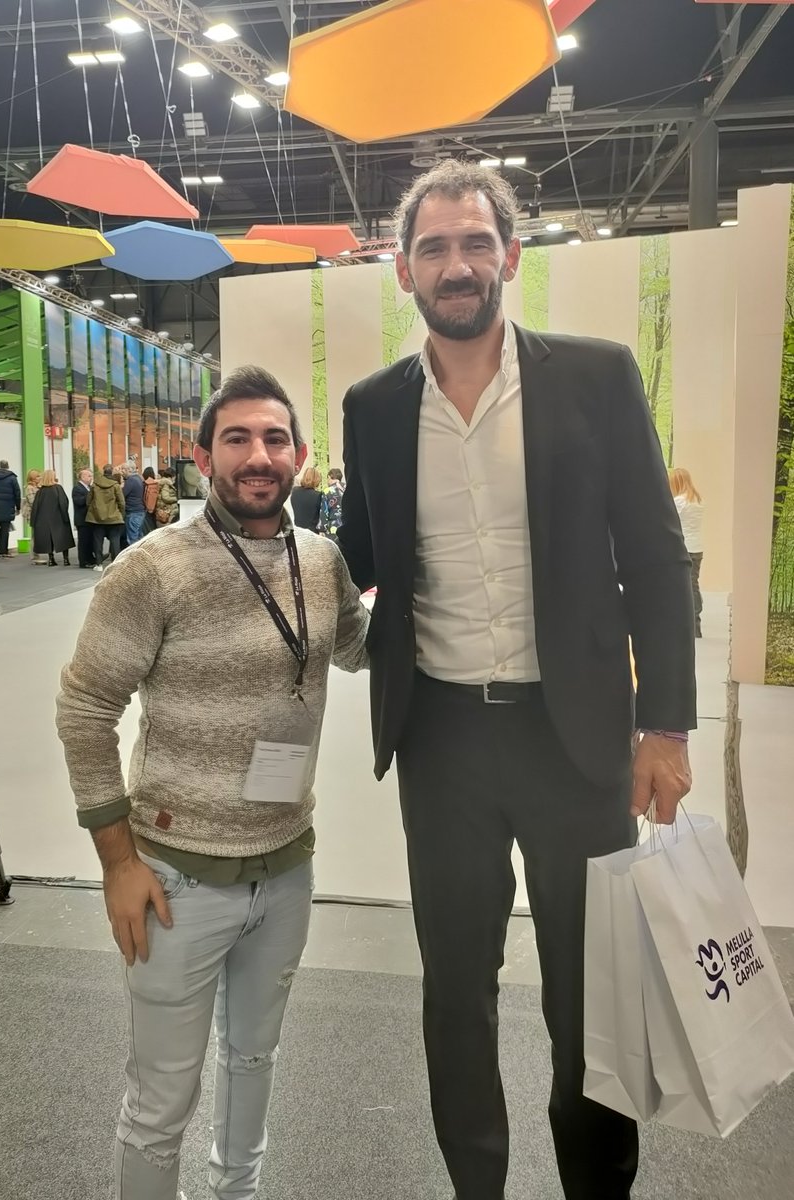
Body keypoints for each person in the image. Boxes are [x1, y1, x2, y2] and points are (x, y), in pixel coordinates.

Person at [336, 161, 696, 1200]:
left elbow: (654, 556)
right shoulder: (372, 409)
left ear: (510, 255)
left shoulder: (595, 375)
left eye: (474, 243)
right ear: (405, 269)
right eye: (435, 248)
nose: (457, 265)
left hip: (575, 738)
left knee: (591, 1000)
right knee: (457, 994)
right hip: (441, 743)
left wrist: (665, 724)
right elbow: (358, 554)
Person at [56, 365, 369, 1200]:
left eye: (274, 438)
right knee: (162, 1099)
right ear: (202, 456)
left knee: (255, 1059)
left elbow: (358, 648)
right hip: (174, 879)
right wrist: (119, 863)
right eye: (237, 438)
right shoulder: (153, 570)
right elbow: (85, 710)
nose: (257, 455)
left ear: (300, 456)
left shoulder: (321, 560)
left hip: (287, 864)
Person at [669, 467, 704, 638]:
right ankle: (696, 622)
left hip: (683, 548)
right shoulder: (697, 500)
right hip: (697, 548)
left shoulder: (678, 502)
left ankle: (689, 625)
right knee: (693, 585)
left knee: (684, 588)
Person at [31, 470, 75, 566]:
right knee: (63, 539)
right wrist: (65, 516)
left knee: (48, 540)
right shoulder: (58, 488)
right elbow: (63, 503)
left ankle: (51, 559)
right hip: (58, 518)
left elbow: (35, 507)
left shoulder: (40, 492)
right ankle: (66, 560)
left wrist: (33, 521)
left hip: (43, 520)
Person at [86, 465, 125, 566]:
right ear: (111, 473)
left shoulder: (95, 484)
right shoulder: (115, 485)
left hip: (97, 518)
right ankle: (115, 564)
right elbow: (122, 502)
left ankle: (99, 564)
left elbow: (88, 501)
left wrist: (94, 510)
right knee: (115, 541)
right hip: (114, 518)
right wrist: (121, 513)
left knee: (98, 541)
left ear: (103, 472)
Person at [0, 458, 21, 558]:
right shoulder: (12, 478)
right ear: (8, 466)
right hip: (7, 507)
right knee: (4, 531)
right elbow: (17, 493)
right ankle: (3, 550)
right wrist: (18, 507)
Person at [72, 468, 96, 568]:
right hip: (82, 519)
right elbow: (79, 502)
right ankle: (83, 561)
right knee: (83, 542)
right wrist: (90, 495)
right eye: (89, 476)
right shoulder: (77, 488)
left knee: (90, 540)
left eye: (91, 476)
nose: (91, 478)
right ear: (83, 477)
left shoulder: (89, 487)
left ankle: (90, 558)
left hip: (89, 519)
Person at [22, 468, 45, 565]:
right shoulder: (29, 488)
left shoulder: (38, 487)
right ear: (33, 478)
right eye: (38, 476)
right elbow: (32, 502)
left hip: (38, 513)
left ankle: (37, 554)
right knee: (34, 535)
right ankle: (34, 557)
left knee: (37, 534)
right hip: (33, 514)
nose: (40, 478)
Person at [121, 463, 147, 546]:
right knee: (139, 536)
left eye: (123, 469)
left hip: (133, 512)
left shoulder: (130, 481)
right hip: (139, 511)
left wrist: (120, 486)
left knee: (132, 538)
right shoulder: (138, 478)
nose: (121, 472)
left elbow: (122, 494)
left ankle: (134, 557)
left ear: (129, 470)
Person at [290, 466, 322, 531]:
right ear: (317, 479)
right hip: (312, 533)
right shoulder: (318, 495)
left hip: (297, 531)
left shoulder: (294, 491)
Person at [319, 467, 345, 542]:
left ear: (330, 477)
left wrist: (322, 529)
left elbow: (324, 511)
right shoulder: (348, 488)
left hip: (333, 527)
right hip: (347, 524)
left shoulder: (327, 491)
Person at [142, 466, 160, 534]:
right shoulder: (156, 484)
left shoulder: (145, 484)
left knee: (147, 529)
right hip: (155, 510)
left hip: (147, 510)